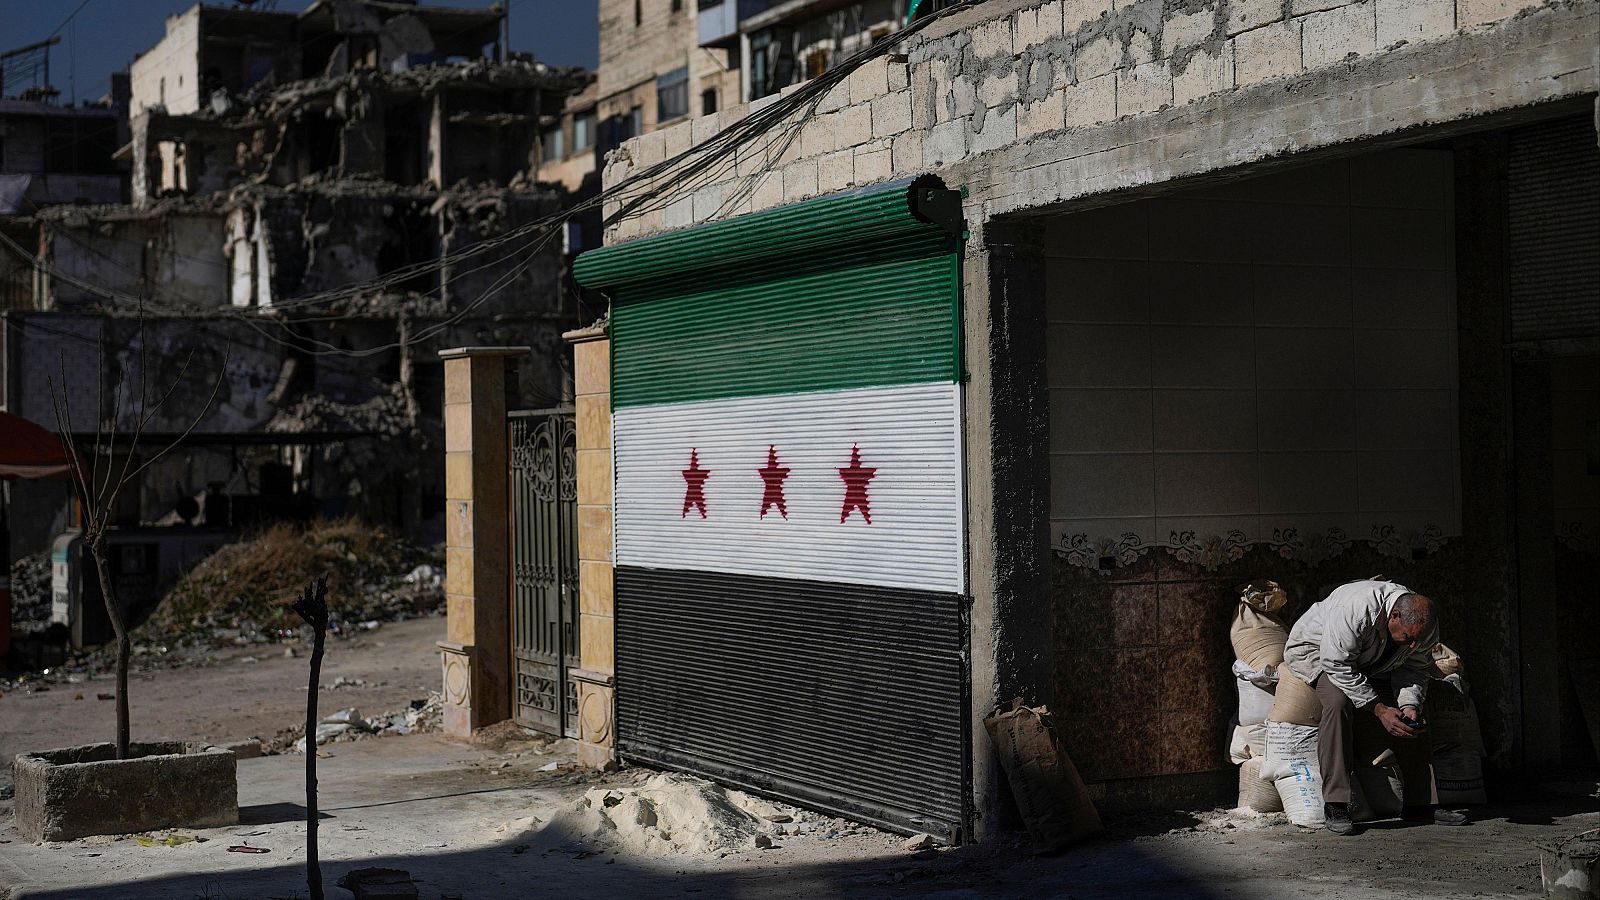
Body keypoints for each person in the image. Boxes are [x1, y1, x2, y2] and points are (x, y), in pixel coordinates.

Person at [1283, 578, 1469, 835]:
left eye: (1418, 640)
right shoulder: (1355, 609)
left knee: (1413, 718)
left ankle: (1419, 803)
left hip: (1371, 662)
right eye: (1408, 637)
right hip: (1319, 655)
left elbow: (1416, 667)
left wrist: (1409, 704)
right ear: (1394, 615)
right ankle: (1336, 804)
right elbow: (1337, 664)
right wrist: (1379, 710)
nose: (1413, 645)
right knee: (1338, 703)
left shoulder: (1422, 627)